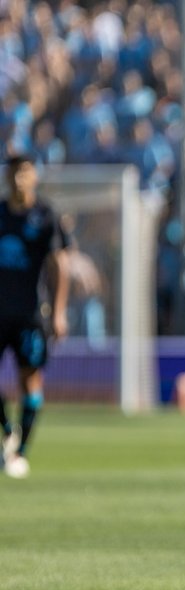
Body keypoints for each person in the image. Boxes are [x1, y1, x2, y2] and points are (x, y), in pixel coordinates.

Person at [0, 155, 70, 479]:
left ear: (34, 177)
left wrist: (58, 313)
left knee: (29, 379)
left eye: (24, 173)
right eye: (14, 173)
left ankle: (20, 452)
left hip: (29, 314)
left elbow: (59, 264)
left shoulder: (45, 216)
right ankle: (8, 429)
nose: (18, 179)